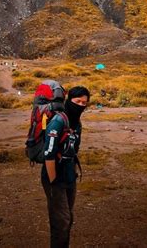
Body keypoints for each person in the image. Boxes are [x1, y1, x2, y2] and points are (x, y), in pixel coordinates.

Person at [41, 86, 90, 248]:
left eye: (85, 103)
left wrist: (73, 173)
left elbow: (74, 150)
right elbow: (49, 153)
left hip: (70, 176)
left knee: (67, 218)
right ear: (69, 101)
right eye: (77, 102)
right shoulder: (58, 121)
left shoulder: (77, 123)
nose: (81, 106)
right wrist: (53, 181)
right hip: (55, 178)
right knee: (61, 221)